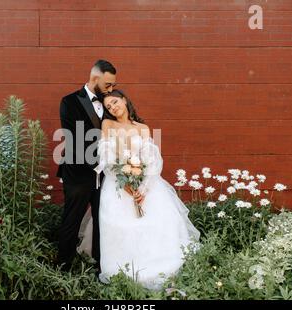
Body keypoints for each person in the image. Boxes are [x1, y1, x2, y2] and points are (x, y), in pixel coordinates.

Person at [80, 89, 200, 290]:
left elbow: (153, 160)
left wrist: (143, 189)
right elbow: (106, 157)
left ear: (124, 100)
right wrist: (123, 181)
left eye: (115, 102)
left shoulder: (142, 128)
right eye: (109, 106)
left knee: (152, 225)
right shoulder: (108, 124)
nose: (113, 107)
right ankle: (124, 271)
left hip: (145, 183)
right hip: (117, 184)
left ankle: (155, 268)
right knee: (121, 227)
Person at [56, 59, 117, 272]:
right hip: (78, 172)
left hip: (106, 176)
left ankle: (101, 267)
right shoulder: (69, 102)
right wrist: (99, 163)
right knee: (72, 219)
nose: (111, 89)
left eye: (113, 86)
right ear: (95, 78)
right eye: (108, 84)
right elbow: (75, 140)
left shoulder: (111, 103)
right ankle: (63, 268)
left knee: (103, 220)